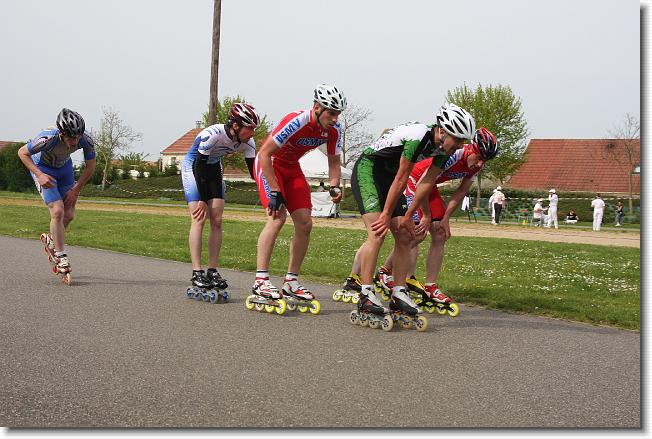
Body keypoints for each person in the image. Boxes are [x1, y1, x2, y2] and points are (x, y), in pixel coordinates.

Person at [351, 102, 475, 318]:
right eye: (458, 140)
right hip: (368, 170)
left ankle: (399, 292)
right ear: (443, 131)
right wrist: (387, 214)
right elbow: (402, 177)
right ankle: (366, 293)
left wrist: (414, 215)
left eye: (463, 141)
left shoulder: (443, 149)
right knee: (378, 231)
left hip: (390, 177)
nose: (460, 146)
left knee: (405, 235)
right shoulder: (418, 135)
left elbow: (426, 182)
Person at [378, 128, 498, 310]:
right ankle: (385, 271)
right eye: (479, 157)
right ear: (471, 148)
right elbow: (423, 182)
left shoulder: (478, 165)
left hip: (430, 185)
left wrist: (445, 218)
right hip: (416, 181)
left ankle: (431, 287)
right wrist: (426, 216)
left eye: (485, 160)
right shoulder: (455, 154)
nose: (480, 163)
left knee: (440, 233)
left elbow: (461, 191)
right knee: (415, 233)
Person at [252, 84, 346, 302]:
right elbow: (264, 153)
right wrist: (274, 190)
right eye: (331, 113)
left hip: (292, 167)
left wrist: (334, 185)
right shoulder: (297, 121)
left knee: (305, 223)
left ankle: (291, 282)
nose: (335, 119)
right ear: (317, 108)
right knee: (277, 218)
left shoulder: (334, 130)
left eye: (338, 114)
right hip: (270, 163)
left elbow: (334, 161)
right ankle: (260, 281)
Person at [181, 103, 260, 291]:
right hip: (194, 167)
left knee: (216, 221)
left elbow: (254, 173)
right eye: (250, 128)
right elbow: (199, 166)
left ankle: (212, 270)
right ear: (236, 125)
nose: (252, 133)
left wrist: (270, 189)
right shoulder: (213, 134)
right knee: (199, 218)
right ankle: (197, 272)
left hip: (214, 168)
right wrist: (202, 199)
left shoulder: (248, 143)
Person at [17, 108, 97, 279]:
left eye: (77, 137)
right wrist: (39, 175)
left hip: (64, 170)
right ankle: (61, 256)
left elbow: (91, 166)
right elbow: (22, 152)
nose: (75, 141)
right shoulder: (47, 138)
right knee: (58, 210)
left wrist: (76, 189)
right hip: (43, 169)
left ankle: (52, 240)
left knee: (69, 215)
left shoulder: (86, 139)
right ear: (61, 133)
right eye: (70, 137)